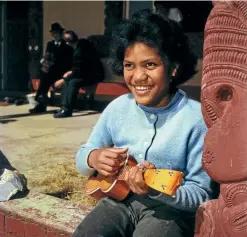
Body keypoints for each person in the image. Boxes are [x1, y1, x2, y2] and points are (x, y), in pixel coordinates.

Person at [73, 9, 213, 237]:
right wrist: (94, 157)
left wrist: (158, 191)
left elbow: (201, 193)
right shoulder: (118, 108)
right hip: (117, 202)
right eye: (129, 65)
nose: (138, 77)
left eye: (149, 65)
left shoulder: (195, 119)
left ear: (173, 68)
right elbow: (82, 155)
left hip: (169, 212)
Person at [53, 30, 104, 118]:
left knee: (73, 82)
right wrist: (70, 73)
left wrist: (63, 80)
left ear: (67, 43)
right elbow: (80, 67)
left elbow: (79, 71)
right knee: (70, 81)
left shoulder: (79, 51)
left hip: (94, 76)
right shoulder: (82, 46)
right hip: (88, 74)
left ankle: (67, 110)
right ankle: (64, 107)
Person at [29, 22, 74, 114]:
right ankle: (40, 103)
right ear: (52, 34)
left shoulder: (67, 45)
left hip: (62, 71)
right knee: (44, 76)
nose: (56, 35)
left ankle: (40, 102)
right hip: (51, 70)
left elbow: (68, 61)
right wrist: (44, 61)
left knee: (45, 77)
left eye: (58, 33)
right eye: (54, 33)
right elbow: (47, 56)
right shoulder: (50, 44)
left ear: (61, 33)